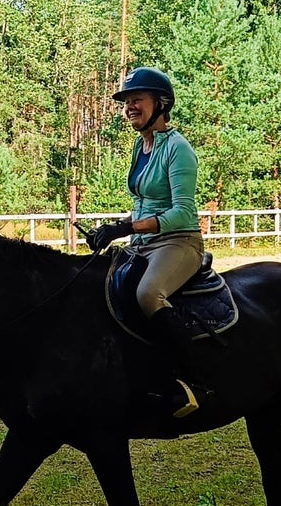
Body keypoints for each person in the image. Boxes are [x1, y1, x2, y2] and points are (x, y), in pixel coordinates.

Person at [87, 67, 206, 417]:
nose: (130, 108)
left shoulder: (179, 149)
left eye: (137, 100)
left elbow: (183, 213)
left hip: (179, 242)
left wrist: (126, 229)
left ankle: (189, 382)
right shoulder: (142, 146)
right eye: (127, 102)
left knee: (147, 293)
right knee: (101, 284)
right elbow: (144, 203)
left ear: (161, 104)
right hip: (143, 242)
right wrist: (113, 227)